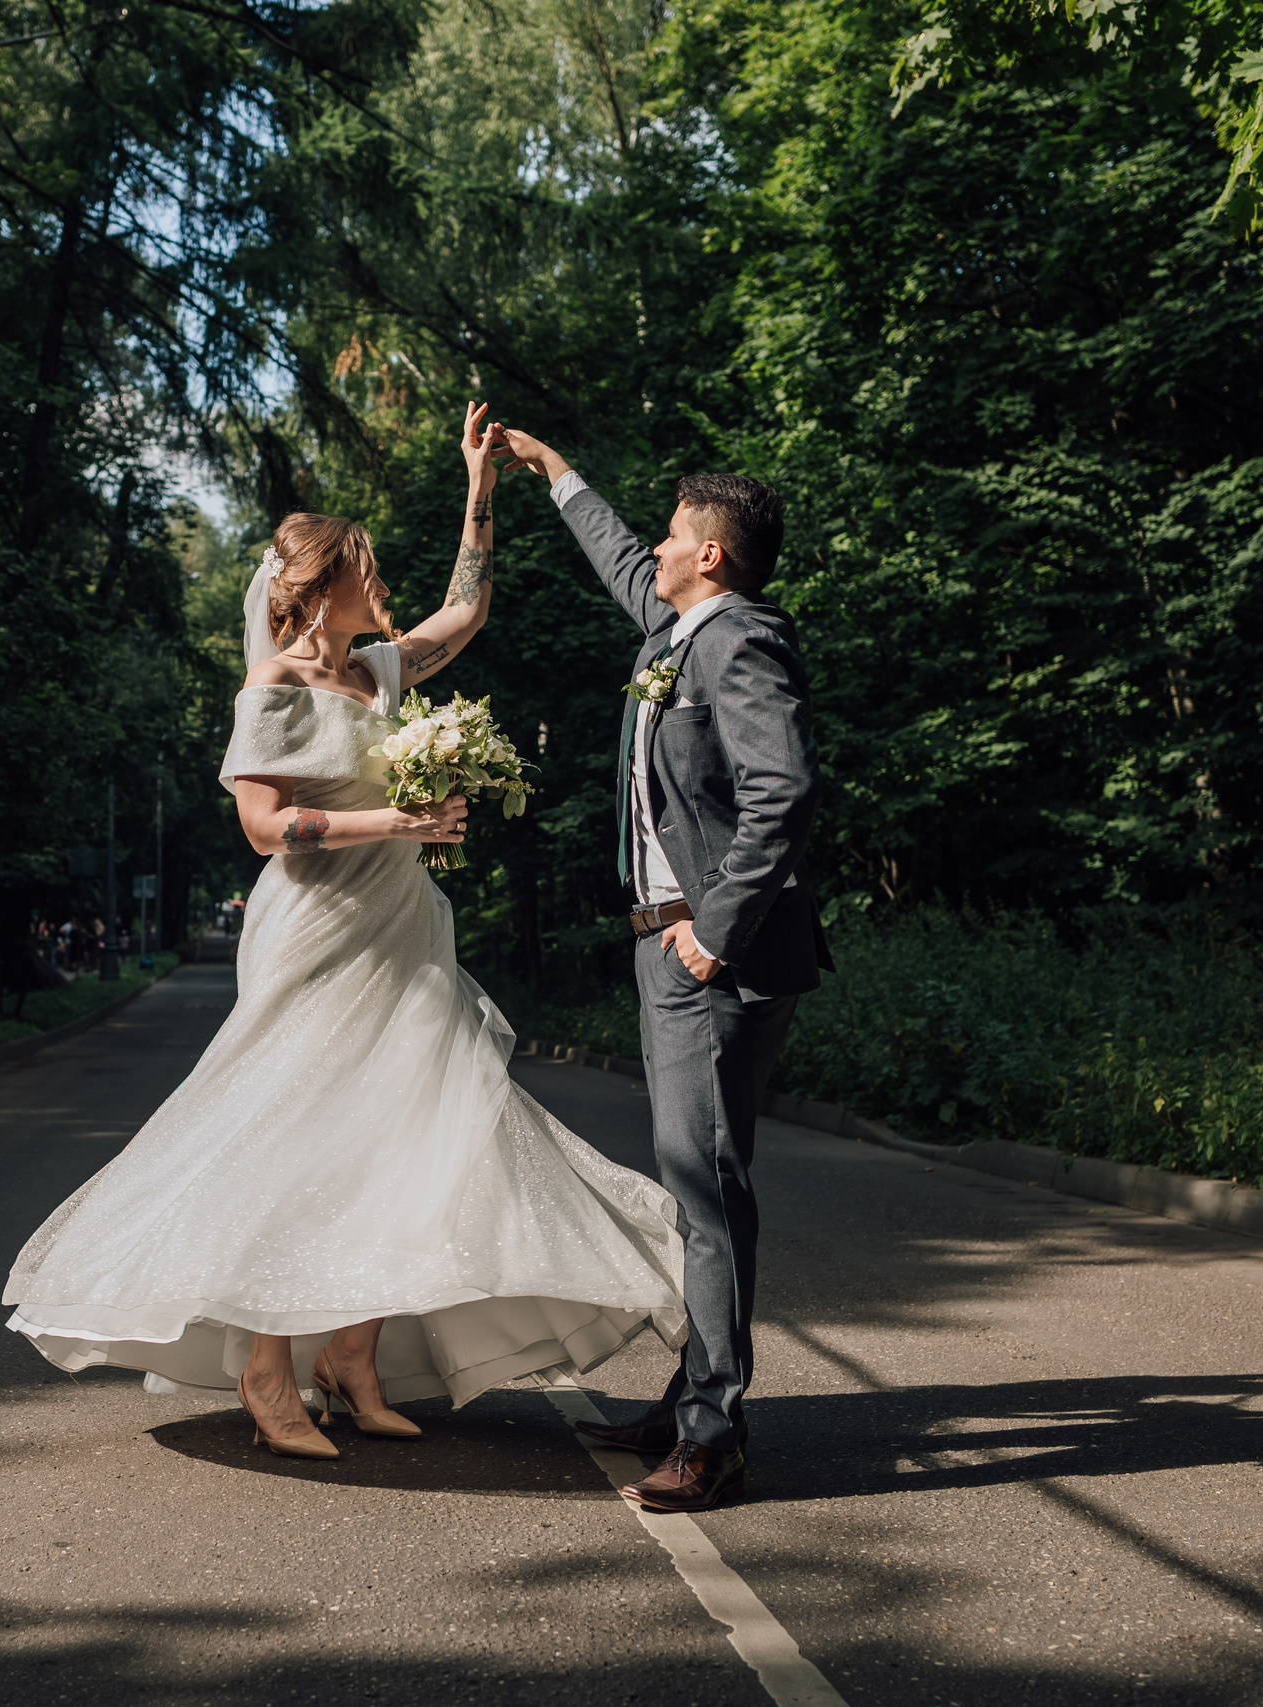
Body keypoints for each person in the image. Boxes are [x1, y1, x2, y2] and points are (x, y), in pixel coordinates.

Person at [4, 405, 686, 1459]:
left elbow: (465, 612)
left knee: (421, 1132)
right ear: (322, 589)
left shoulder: (377, 674)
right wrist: (397, 819)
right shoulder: (271, 689)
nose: (385, 590)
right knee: (302, 1133)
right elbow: (268, 827)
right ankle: (266, 1368)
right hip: (317, 934)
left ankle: (351, 1357)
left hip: (405, 928)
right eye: (367, 573)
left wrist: (481, 487)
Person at [493, 426, 821, 1513]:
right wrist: (552, 474)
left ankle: (712, 1435)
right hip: (669, 946)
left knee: (705, 1191)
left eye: (675, 533)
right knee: (700, 1193)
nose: (659, 549)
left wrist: (715, 928)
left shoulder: (737, 644)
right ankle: (694, 1394)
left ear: (712, 556)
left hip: (709, 955)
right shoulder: (681, 627)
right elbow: (625, 566)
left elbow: (781, 790)